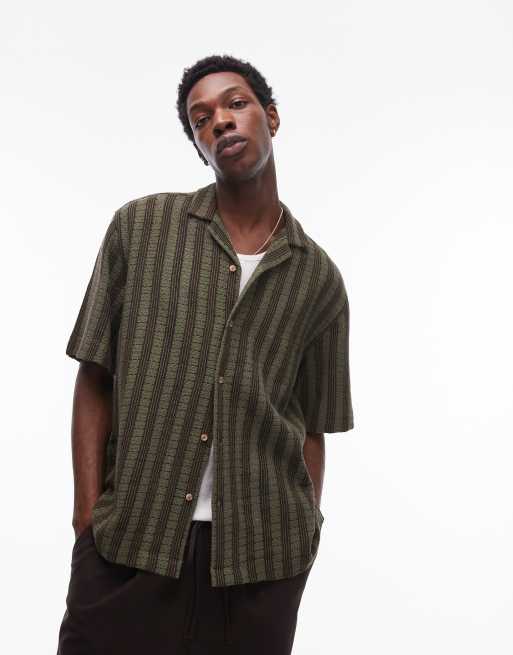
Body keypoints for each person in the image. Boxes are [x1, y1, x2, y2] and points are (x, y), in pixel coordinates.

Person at [56, 53, 354, 655]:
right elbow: (95, 375)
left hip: (259, 568)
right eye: (201, 118)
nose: (219, 120)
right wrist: (88, 516)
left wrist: (305, 530)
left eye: (236, 103)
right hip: (130, 545)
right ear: (199, 145)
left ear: (271, 117)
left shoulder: (318, 278)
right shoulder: (141, 229)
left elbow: (313, 426)